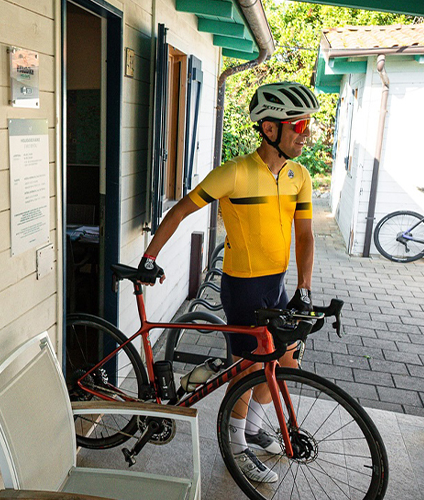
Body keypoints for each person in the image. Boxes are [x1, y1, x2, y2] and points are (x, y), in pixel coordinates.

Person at [135, 81, 319, 483]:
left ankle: (251, 428)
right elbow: (182, 209)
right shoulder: (235, 173)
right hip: (243, 285)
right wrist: (149, 256)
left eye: (307, 127)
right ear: (269, 129)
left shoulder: (299, 175)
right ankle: (235, 444)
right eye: (300, 125)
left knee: (286, 360)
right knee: (249, 368)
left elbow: (305, 235)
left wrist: (304, 289)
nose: (306, 135)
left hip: (278, 285)